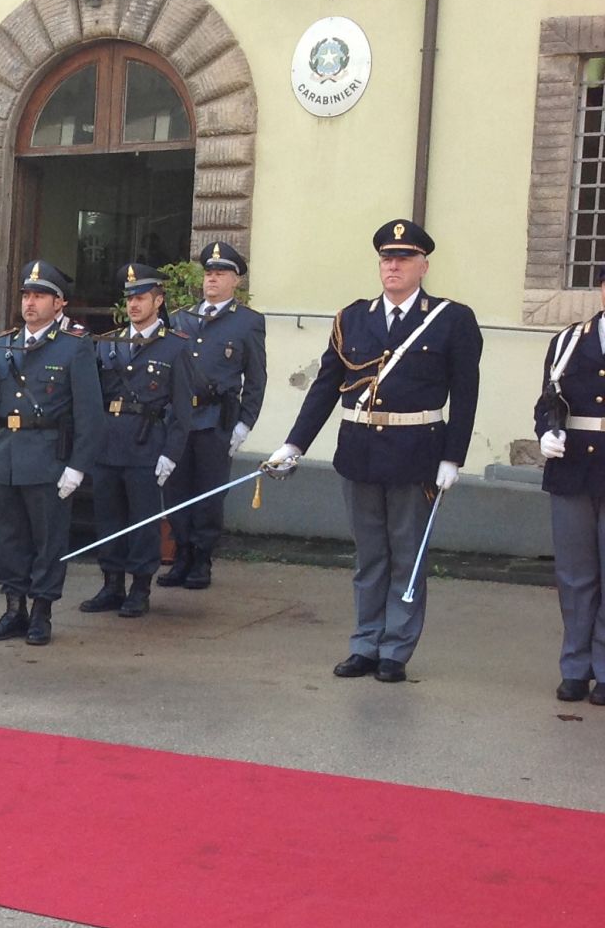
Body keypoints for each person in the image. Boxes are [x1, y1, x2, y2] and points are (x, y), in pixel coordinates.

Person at [264, 220, 482, 683]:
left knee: (407, 555)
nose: (393, 266)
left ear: (423, 265)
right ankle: (365, 643)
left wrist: (453, 457)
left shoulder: (450, 318)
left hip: (416, 454)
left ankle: (395, 650)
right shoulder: (353, 318)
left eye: (403, 259)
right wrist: (293, 444)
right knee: (369, 557)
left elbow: (466, 393)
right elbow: (325, 388)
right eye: (386, 258)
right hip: (359, 452)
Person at [0, 260, 105, 647]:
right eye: (26, 295)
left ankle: (41, 612)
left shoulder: (74, 347)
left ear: (59, 303)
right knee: (9, 537)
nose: (30, 303)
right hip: (6, 455)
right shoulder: (5, 344)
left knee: (48, 540)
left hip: (49, 456)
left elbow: (90, 414)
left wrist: (78, 467)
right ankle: (13, 608)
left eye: (40, 296)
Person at [80, 263, 193, 618]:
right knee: (109, 516)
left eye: (141, 297)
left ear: (158, 301)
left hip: (147, 443)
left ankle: (140, 587)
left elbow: (182, 406)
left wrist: (171, 453)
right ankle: (111, 584)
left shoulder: (174, 347)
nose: (133, 304)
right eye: (129, 298)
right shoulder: (109, 343)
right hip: (109, 442)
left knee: (143, 520)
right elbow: (93, 397)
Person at [163, 241, 267, 590]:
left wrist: (245, 422)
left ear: (235, 280)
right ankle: (180, 554)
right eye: (208, 273)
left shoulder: (247, 322)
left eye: (220, 274)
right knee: (176, 491)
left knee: (208, 493)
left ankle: (201, 559)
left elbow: (255, 377)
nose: (212, 280)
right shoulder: (182, 318)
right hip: (180, 421)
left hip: (216, 419)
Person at [537, 267, 605, 704]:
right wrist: (546, 429)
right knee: (575, 575)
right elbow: (548, 400)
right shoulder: (568, 340)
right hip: (574, 467)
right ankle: (575, 667)